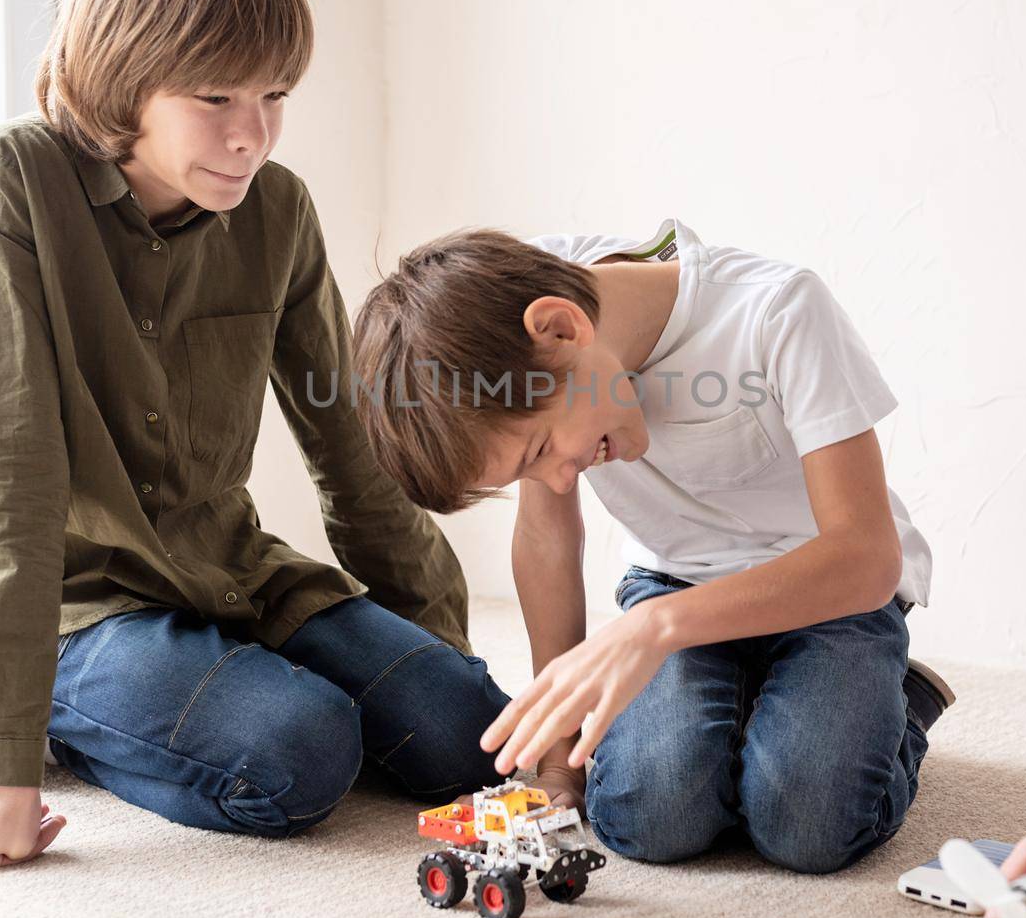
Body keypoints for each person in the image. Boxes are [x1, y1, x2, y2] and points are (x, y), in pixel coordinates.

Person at [0, 0, 510, 871]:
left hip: (228, 569)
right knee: (298, 757)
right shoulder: (15, 185)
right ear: (125, 81)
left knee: (466, 739)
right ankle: (76, 724)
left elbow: (347, 443)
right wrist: (5, 773)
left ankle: (219, 688)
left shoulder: (278, 210)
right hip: (77, 604)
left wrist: (433, 658)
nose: (254, 136)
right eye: (217, 99)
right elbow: (16, 475)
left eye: (275, 95)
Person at [350, 218, 949, 872]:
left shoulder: (777, 312)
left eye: (542, 450)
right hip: (677, 584)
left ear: (562, 328)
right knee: (646, 818)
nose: (556, 478)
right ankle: (756, 707)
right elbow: (548, 535)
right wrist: (559, 763)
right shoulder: (527, 322)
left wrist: (654, 628)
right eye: (526, 472)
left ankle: (901, 701)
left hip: (833, 593)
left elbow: (866, 557)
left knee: (806, 824)